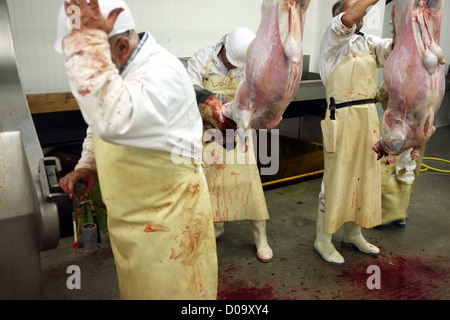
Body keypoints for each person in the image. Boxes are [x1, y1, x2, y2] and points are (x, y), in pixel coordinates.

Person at [55, 0, 218, 299]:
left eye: (95, 58)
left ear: (121, 47)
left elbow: (111, 117)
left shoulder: (161, 72)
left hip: (171, 227)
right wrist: (88, 164)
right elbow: (97, 123)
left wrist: (86, 46)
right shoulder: (122, 70)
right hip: (132, 226)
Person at [314, 0, 393, 266]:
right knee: (336, 178)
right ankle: (323, 239)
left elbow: (390, 50)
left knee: (365, 176)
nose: (362, 11)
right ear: (340, 13)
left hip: (368, 115)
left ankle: (353, 234)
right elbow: (348, 20)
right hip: (342, 117)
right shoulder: (332, 37)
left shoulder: (367, 41)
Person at [186, 27, 274, 263]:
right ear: (223, 46)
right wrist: (214, 99)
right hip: (209, 131)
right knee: (211, 185)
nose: (236, 67)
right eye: (232, 62)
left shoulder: (250, 63)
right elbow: (189, 89)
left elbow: (260, 92)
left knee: (250, 184)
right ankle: (215, 229)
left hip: (241, 132)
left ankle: (261, 238)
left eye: (239, 64)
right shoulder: (203, 58)